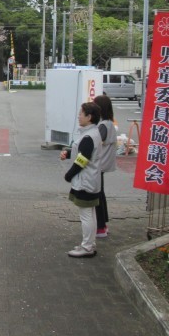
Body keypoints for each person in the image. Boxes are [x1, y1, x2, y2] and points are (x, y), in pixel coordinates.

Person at [60, 102, 102, 258]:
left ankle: (87, 247)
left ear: (89, 117)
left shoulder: (89, 136)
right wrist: (68, 153)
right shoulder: (92, 133)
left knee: (86, 215)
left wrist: (69, 174)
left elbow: (82, 160)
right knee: (90, 213)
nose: (78, 116)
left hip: (85, 182)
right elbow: (83, 153)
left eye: (81, 114)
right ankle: (89, 244)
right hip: (90, 181)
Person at [93, 94, 117, 238]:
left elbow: (96, 142)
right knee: (100, 194)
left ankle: (100, 227)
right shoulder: (109, 123)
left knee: (97, 196)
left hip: (99, 164)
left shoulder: (103, 125)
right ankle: (103, 225)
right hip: (104, 164)